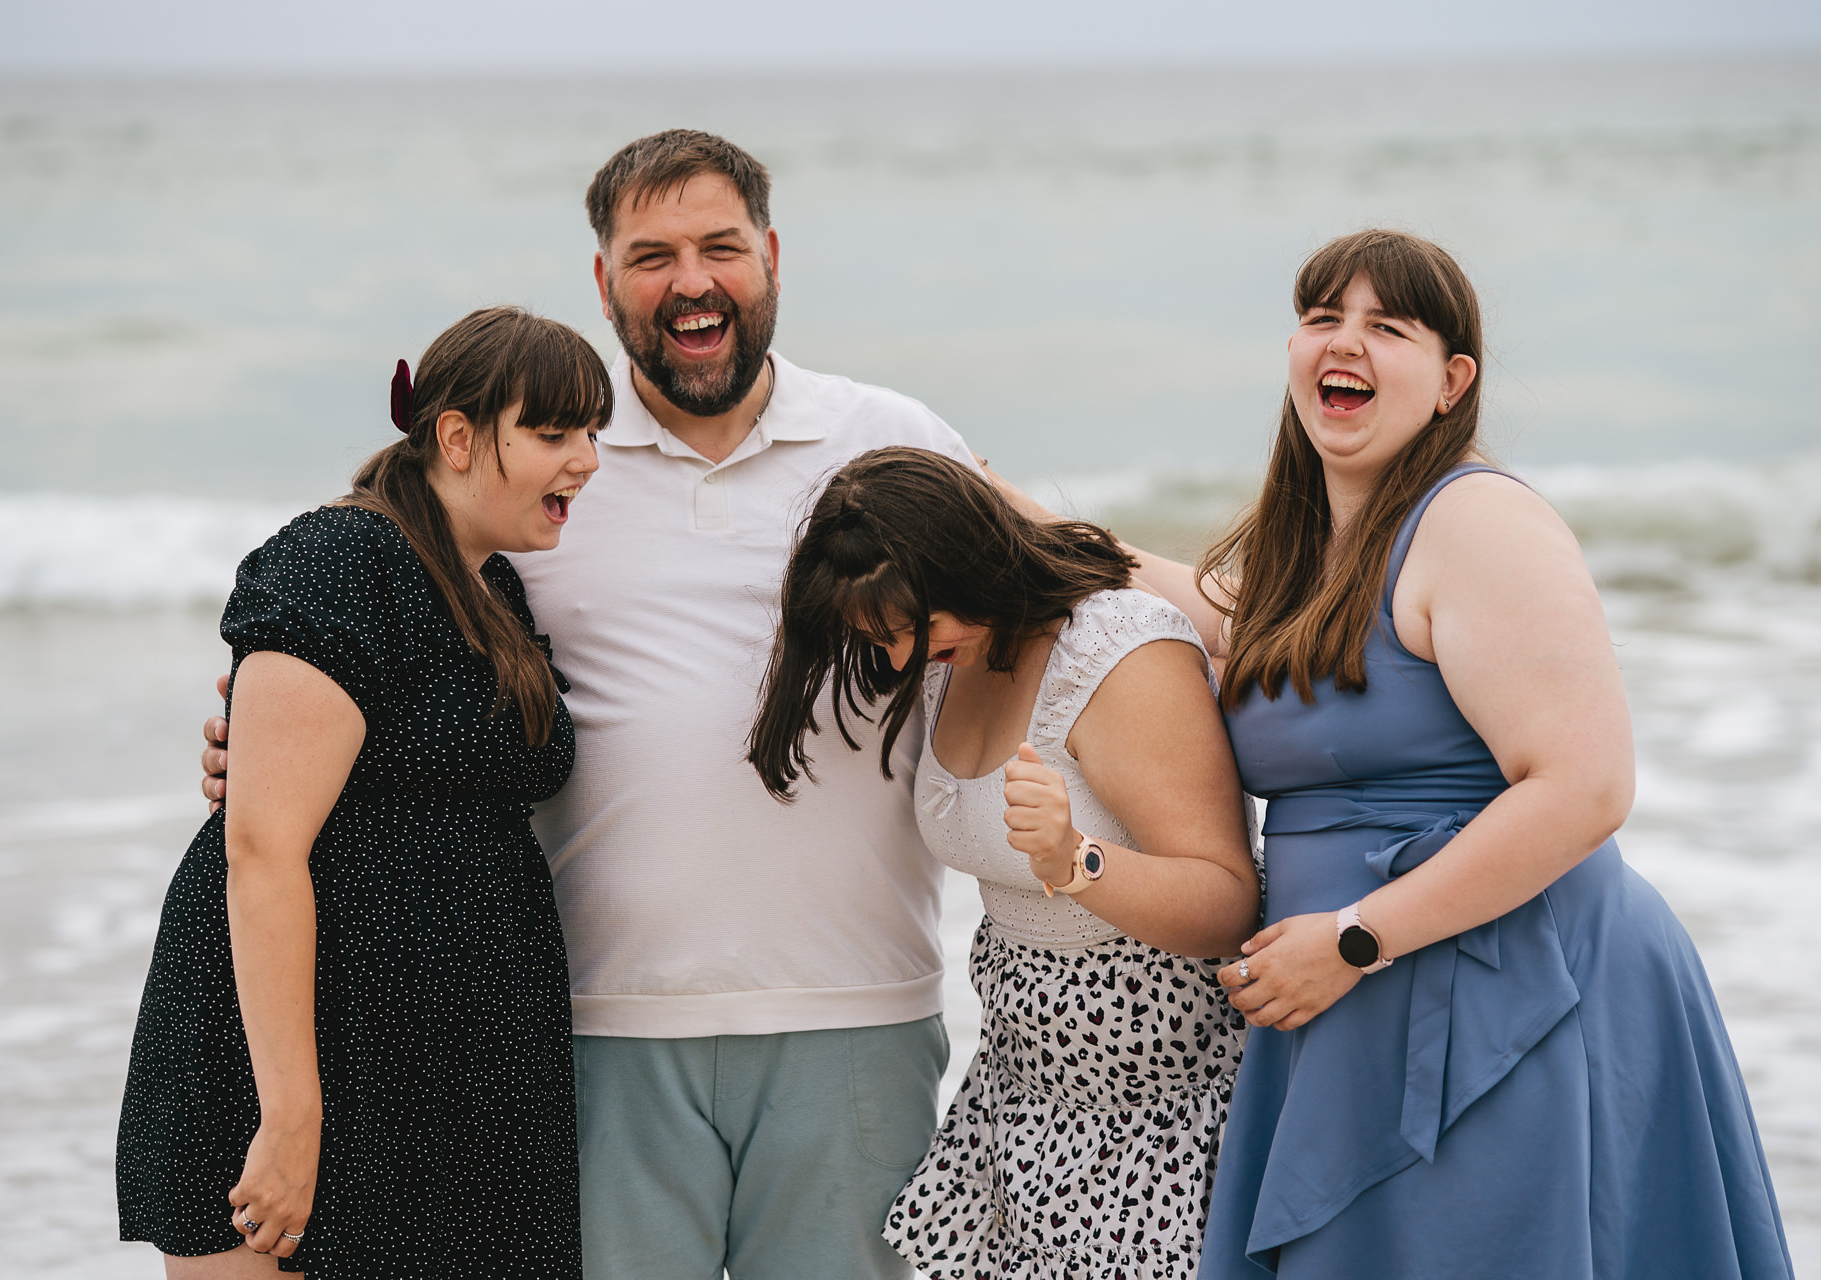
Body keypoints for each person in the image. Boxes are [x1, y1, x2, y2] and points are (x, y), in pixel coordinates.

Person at [204, 131, 986, 1280]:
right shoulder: (543, 463)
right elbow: (366, 642)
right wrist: (256, 747)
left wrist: (1242, 627)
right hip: (590, 1026)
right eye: (651, 253)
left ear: (771, 256)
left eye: (721, 246)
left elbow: (1031, 600)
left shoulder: (895, 437)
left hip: (858, 1007)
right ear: (604, 279)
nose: (691, 280)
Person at [1126, 229, 1791, 1278]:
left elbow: (1586, 786)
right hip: (1354, 998)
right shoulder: (1325, 548)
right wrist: (1021, 528)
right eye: (1321, 318)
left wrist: (1351, 938)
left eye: (1386, 327)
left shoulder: (1478, 517)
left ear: (1452, 380)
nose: (1345, 342)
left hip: (1506, 995)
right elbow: (1232, 622)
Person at [123, 307, 610, 1278]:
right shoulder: (340, 562)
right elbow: (262, 851)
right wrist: (291, 1114)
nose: (588, 460)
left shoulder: (491, 586)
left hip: (440, 1070)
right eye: (555, 432)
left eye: (593, 431)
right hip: (297, 1057)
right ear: (460, 437)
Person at [747, 446, 1261, 1278]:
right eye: (878, 636)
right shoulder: (957, 654)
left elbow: (1229, 904)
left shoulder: (1118, 649)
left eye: (913, 626)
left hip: (1158, 1111)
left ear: (968, 562)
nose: (897, 655)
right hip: (1023, 1095)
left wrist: (1077, 859)